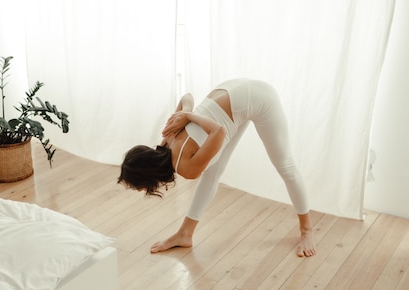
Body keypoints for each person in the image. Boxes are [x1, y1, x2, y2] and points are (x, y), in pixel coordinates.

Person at [118, 78, 316, 257]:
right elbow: (187, 97)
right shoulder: (167, 139)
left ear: (149, 176)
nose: (143, 190)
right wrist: (186, 114)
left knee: (285, 165)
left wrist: (188, 115)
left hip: (259, 98)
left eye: (141, 186)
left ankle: (307, 230)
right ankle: (185, 234)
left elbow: (219, 131)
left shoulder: (186, 167)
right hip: (231, 91)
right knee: (212, 173)